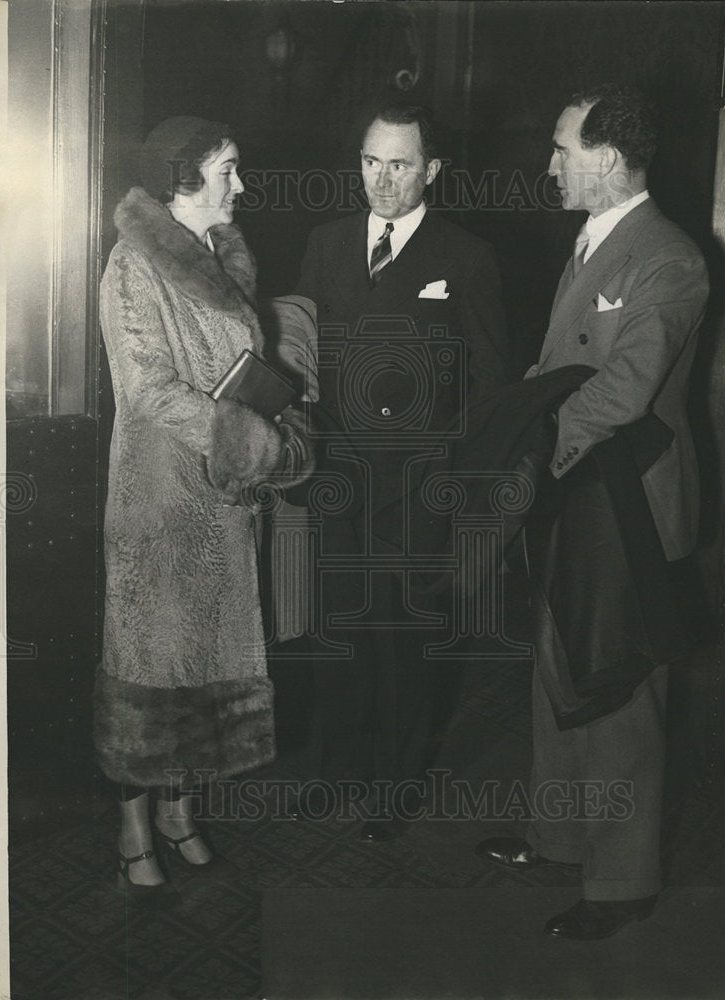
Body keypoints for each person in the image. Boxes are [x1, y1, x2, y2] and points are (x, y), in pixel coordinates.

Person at [476, 85, 709, 938]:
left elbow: (625, 386)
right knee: (555, 670)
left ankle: (621, 885)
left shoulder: (668, 257)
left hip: (629, 505)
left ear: (606, 160)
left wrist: (534, 447)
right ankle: (561, 837)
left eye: (561, 148)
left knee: (615, 689)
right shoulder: (590, 242)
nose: (548, 164)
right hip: (576, 495)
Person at [94, 116, 312, 904]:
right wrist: (250, 440)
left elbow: (239, 367)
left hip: (219, 507)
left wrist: (280, 410)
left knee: (205, 671)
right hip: (156, 504)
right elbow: (148, 389)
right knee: (148, 676)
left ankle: (182, 814)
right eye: (228, 171)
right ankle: (132, 835)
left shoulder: (223, 254)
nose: (241, 186)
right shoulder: (131, 266)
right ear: (184, 180)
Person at [293, 103, 511, 840]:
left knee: (404, 642)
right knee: (338, 633)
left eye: (399, 164)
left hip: (419, 488)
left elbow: (488, 386)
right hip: (338, 478)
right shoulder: (323, 246)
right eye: (369, 162)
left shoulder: (466, 257)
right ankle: (335, 775)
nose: (381, 181)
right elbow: (303, 362)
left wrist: (462, 489)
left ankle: (393, 789)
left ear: (431, 171)